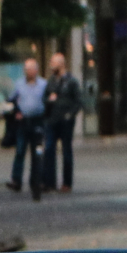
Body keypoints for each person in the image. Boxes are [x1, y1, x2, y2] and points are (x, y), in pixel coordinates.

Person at [5, 57, 47, 196]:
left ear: (36, 70)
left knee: (38, 153)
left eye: (30, 69)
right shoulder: (19, 84)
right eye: (26, 69)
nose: (28, 72)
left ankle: (37, 180)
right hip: (23, 122)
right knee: (20, 151)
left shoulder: (43, 84)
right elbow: (11, 100)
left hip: (38, 120)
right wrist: (16, 111)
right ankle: (16, 180)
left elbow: (47, 101)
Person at [44, 51, 83, 192]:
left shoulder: (71, 81)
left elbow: (79, 101)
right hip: (52, 120)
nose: (51, 66)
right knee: (49, 149)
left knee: (66, 150)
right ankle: (49, 182)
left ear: (61, 64)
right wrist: (48, 101)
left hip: (65, 121)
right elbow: (45, 97)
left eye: (53, 63)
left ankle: (67, 183)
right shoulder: (51, 81)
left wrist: (70, 115)